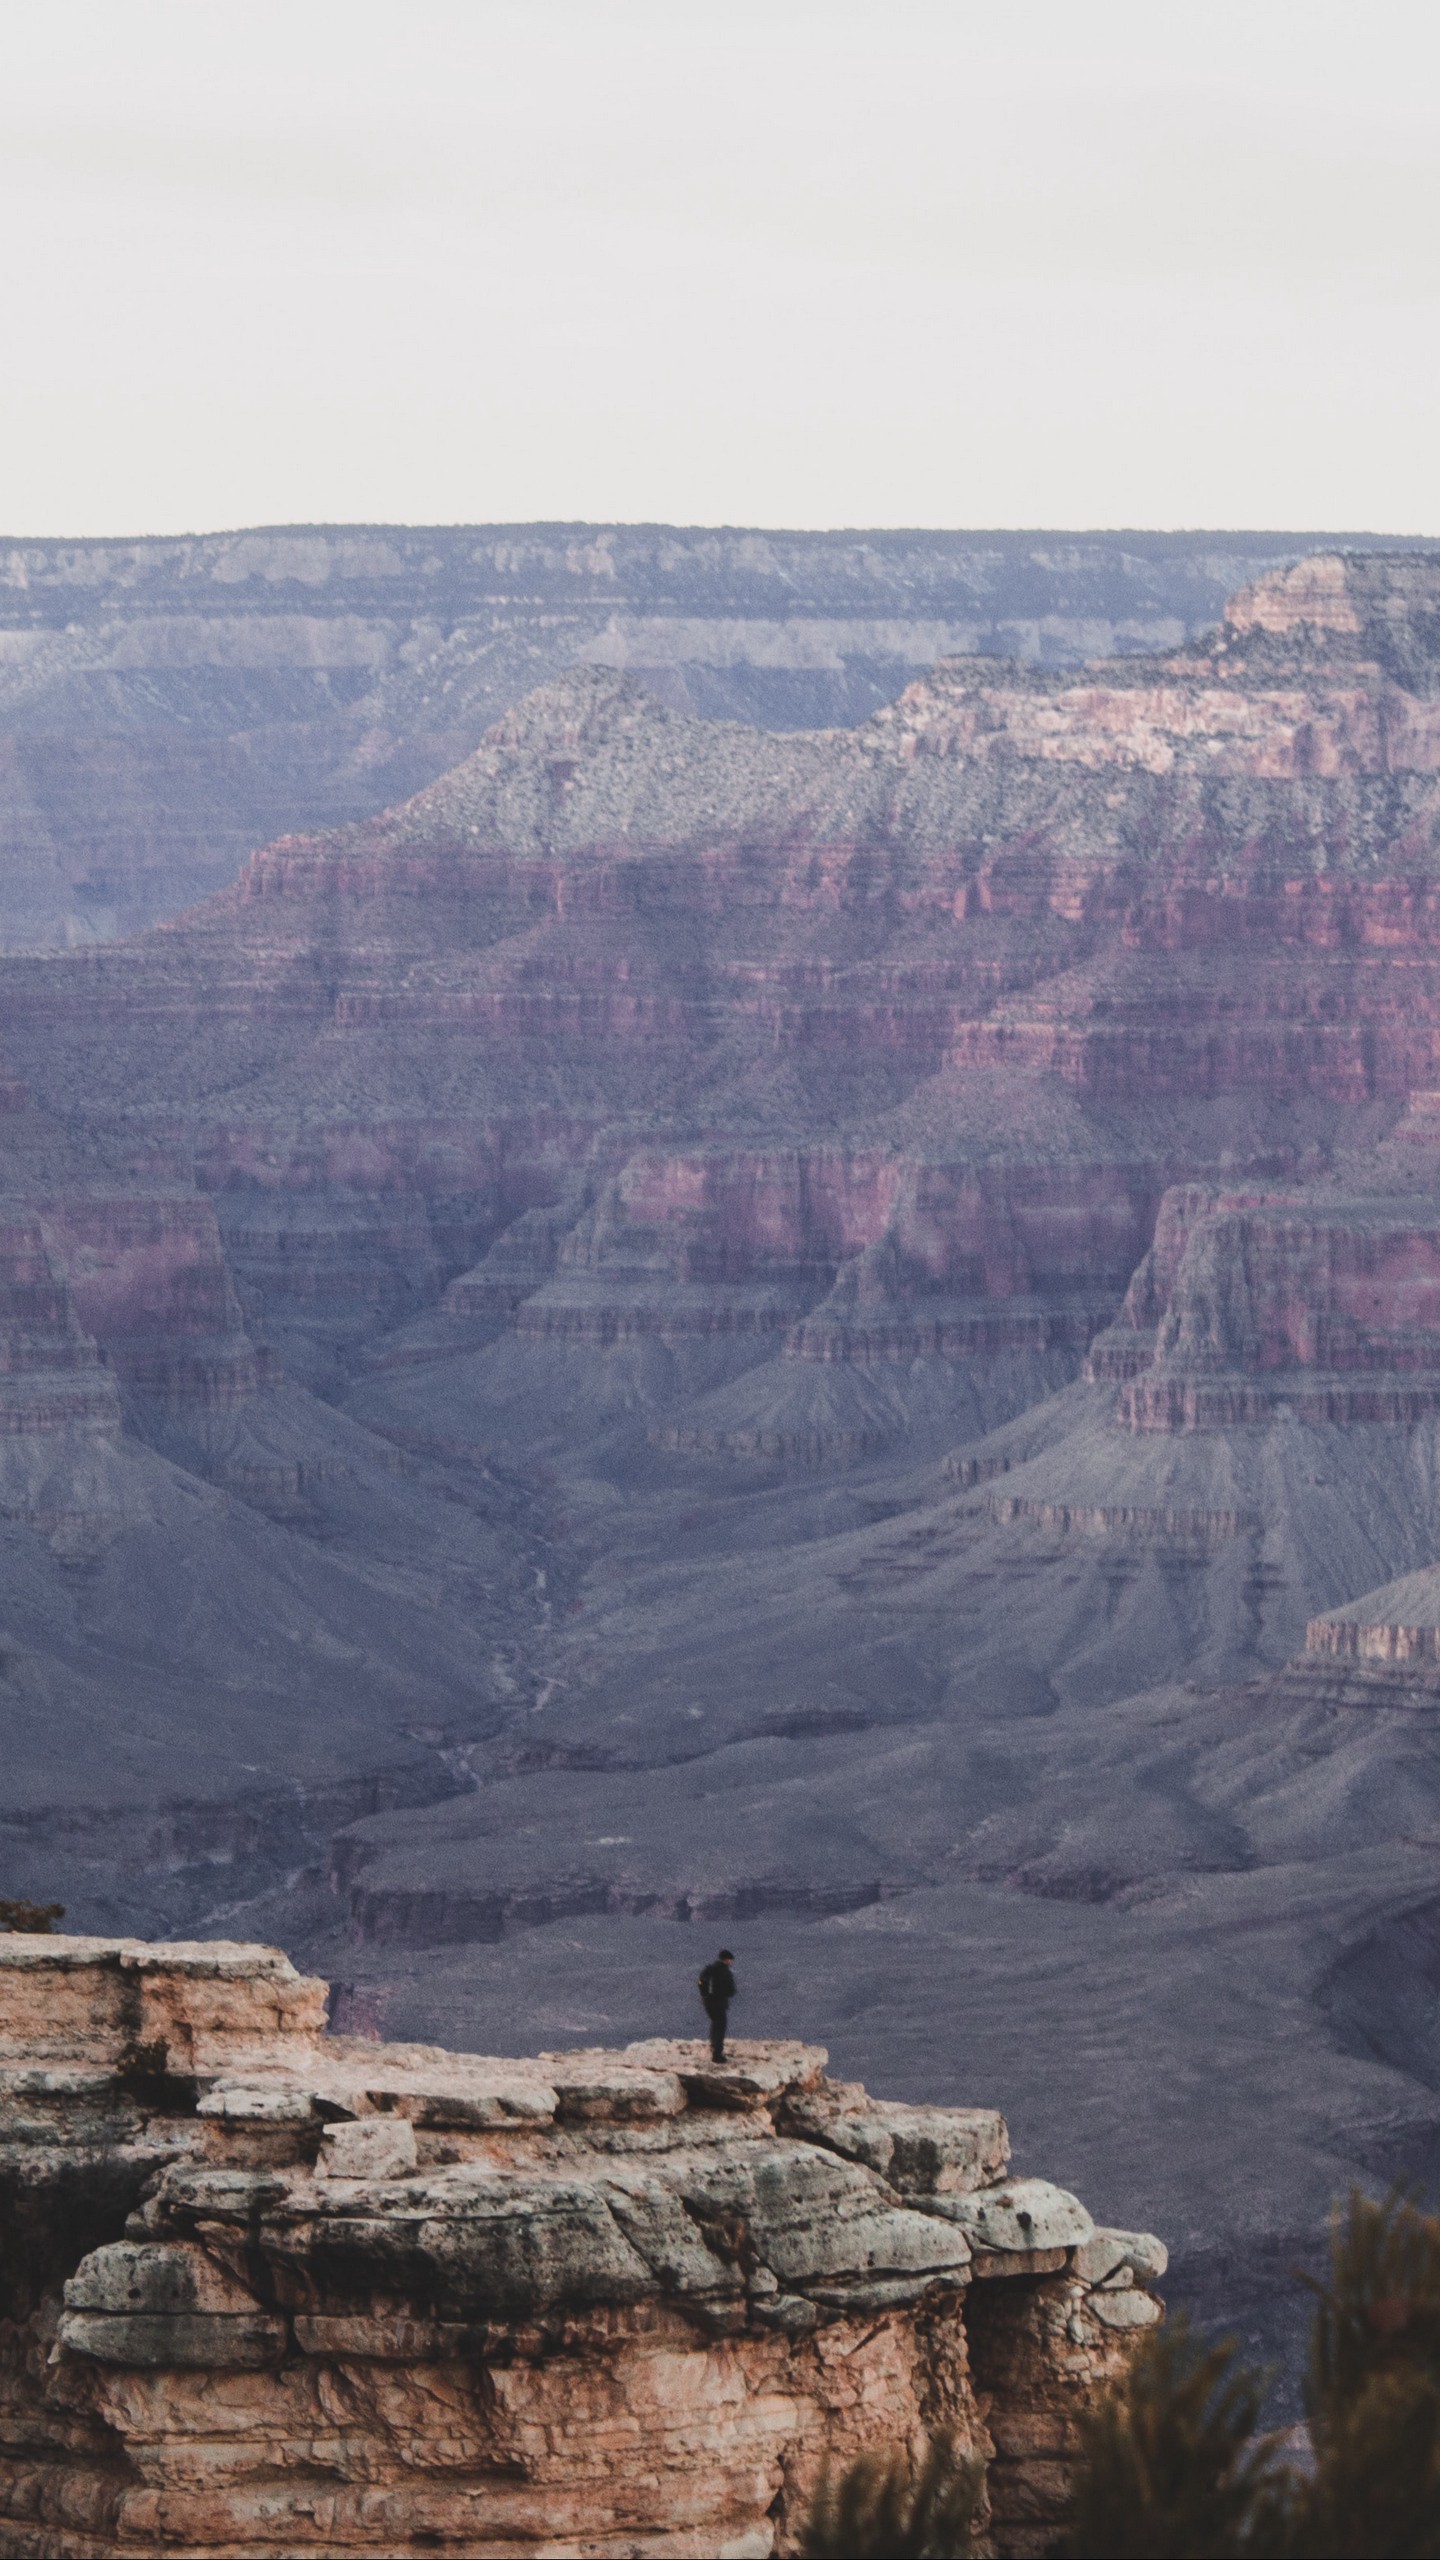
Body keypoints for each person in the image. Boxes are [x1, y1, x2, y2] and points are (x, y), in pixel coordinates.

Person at [697, 1948, 736, 2062]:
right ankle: (717, 2054)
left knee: (714, 2024)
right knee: (720, 2027)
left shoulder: (709, 1969)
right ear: (727, 1960)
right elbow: (730, 1991)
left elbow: (700, 1981)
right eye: (730, 1960)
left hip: (708, 2003)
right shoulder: (725, 1972)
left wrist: (704, 1995)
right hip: (720, 2003)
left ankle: (713, 2045)